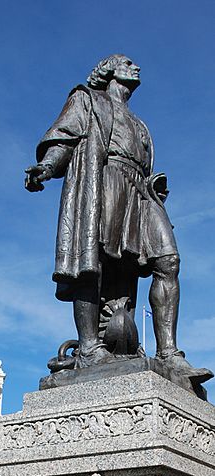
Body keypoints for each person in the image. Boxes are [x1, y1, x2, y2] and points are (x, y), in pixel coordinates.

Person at [25, 54, 204, 379]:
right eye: (126, 62)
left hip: (141, 190)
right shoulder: (87, 99)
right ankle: (90, 348)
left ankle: (169, 354)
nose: (135, 67)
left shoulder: (139, 124)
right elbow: (65, 136)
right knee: (93, 260)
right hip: (103, 180)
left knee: (168, 261)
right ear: (109, 71)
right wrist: (46, 167)